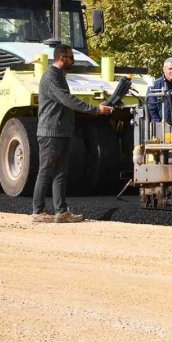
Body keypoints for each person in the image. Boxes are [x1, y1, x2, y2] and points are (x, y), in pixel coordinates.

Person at [32, 43, 113, 223]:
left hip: (61, 132)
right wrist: (95, 109)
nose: (73, 61)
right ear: (61, 58)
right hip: (50, 133)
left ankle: (61, 211)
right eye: (71, 57)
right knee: (46, 170)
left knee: (61, 172)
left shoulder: (60, 76)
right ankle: (38, 211)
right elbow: (67, 100)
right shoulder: (52, 77)